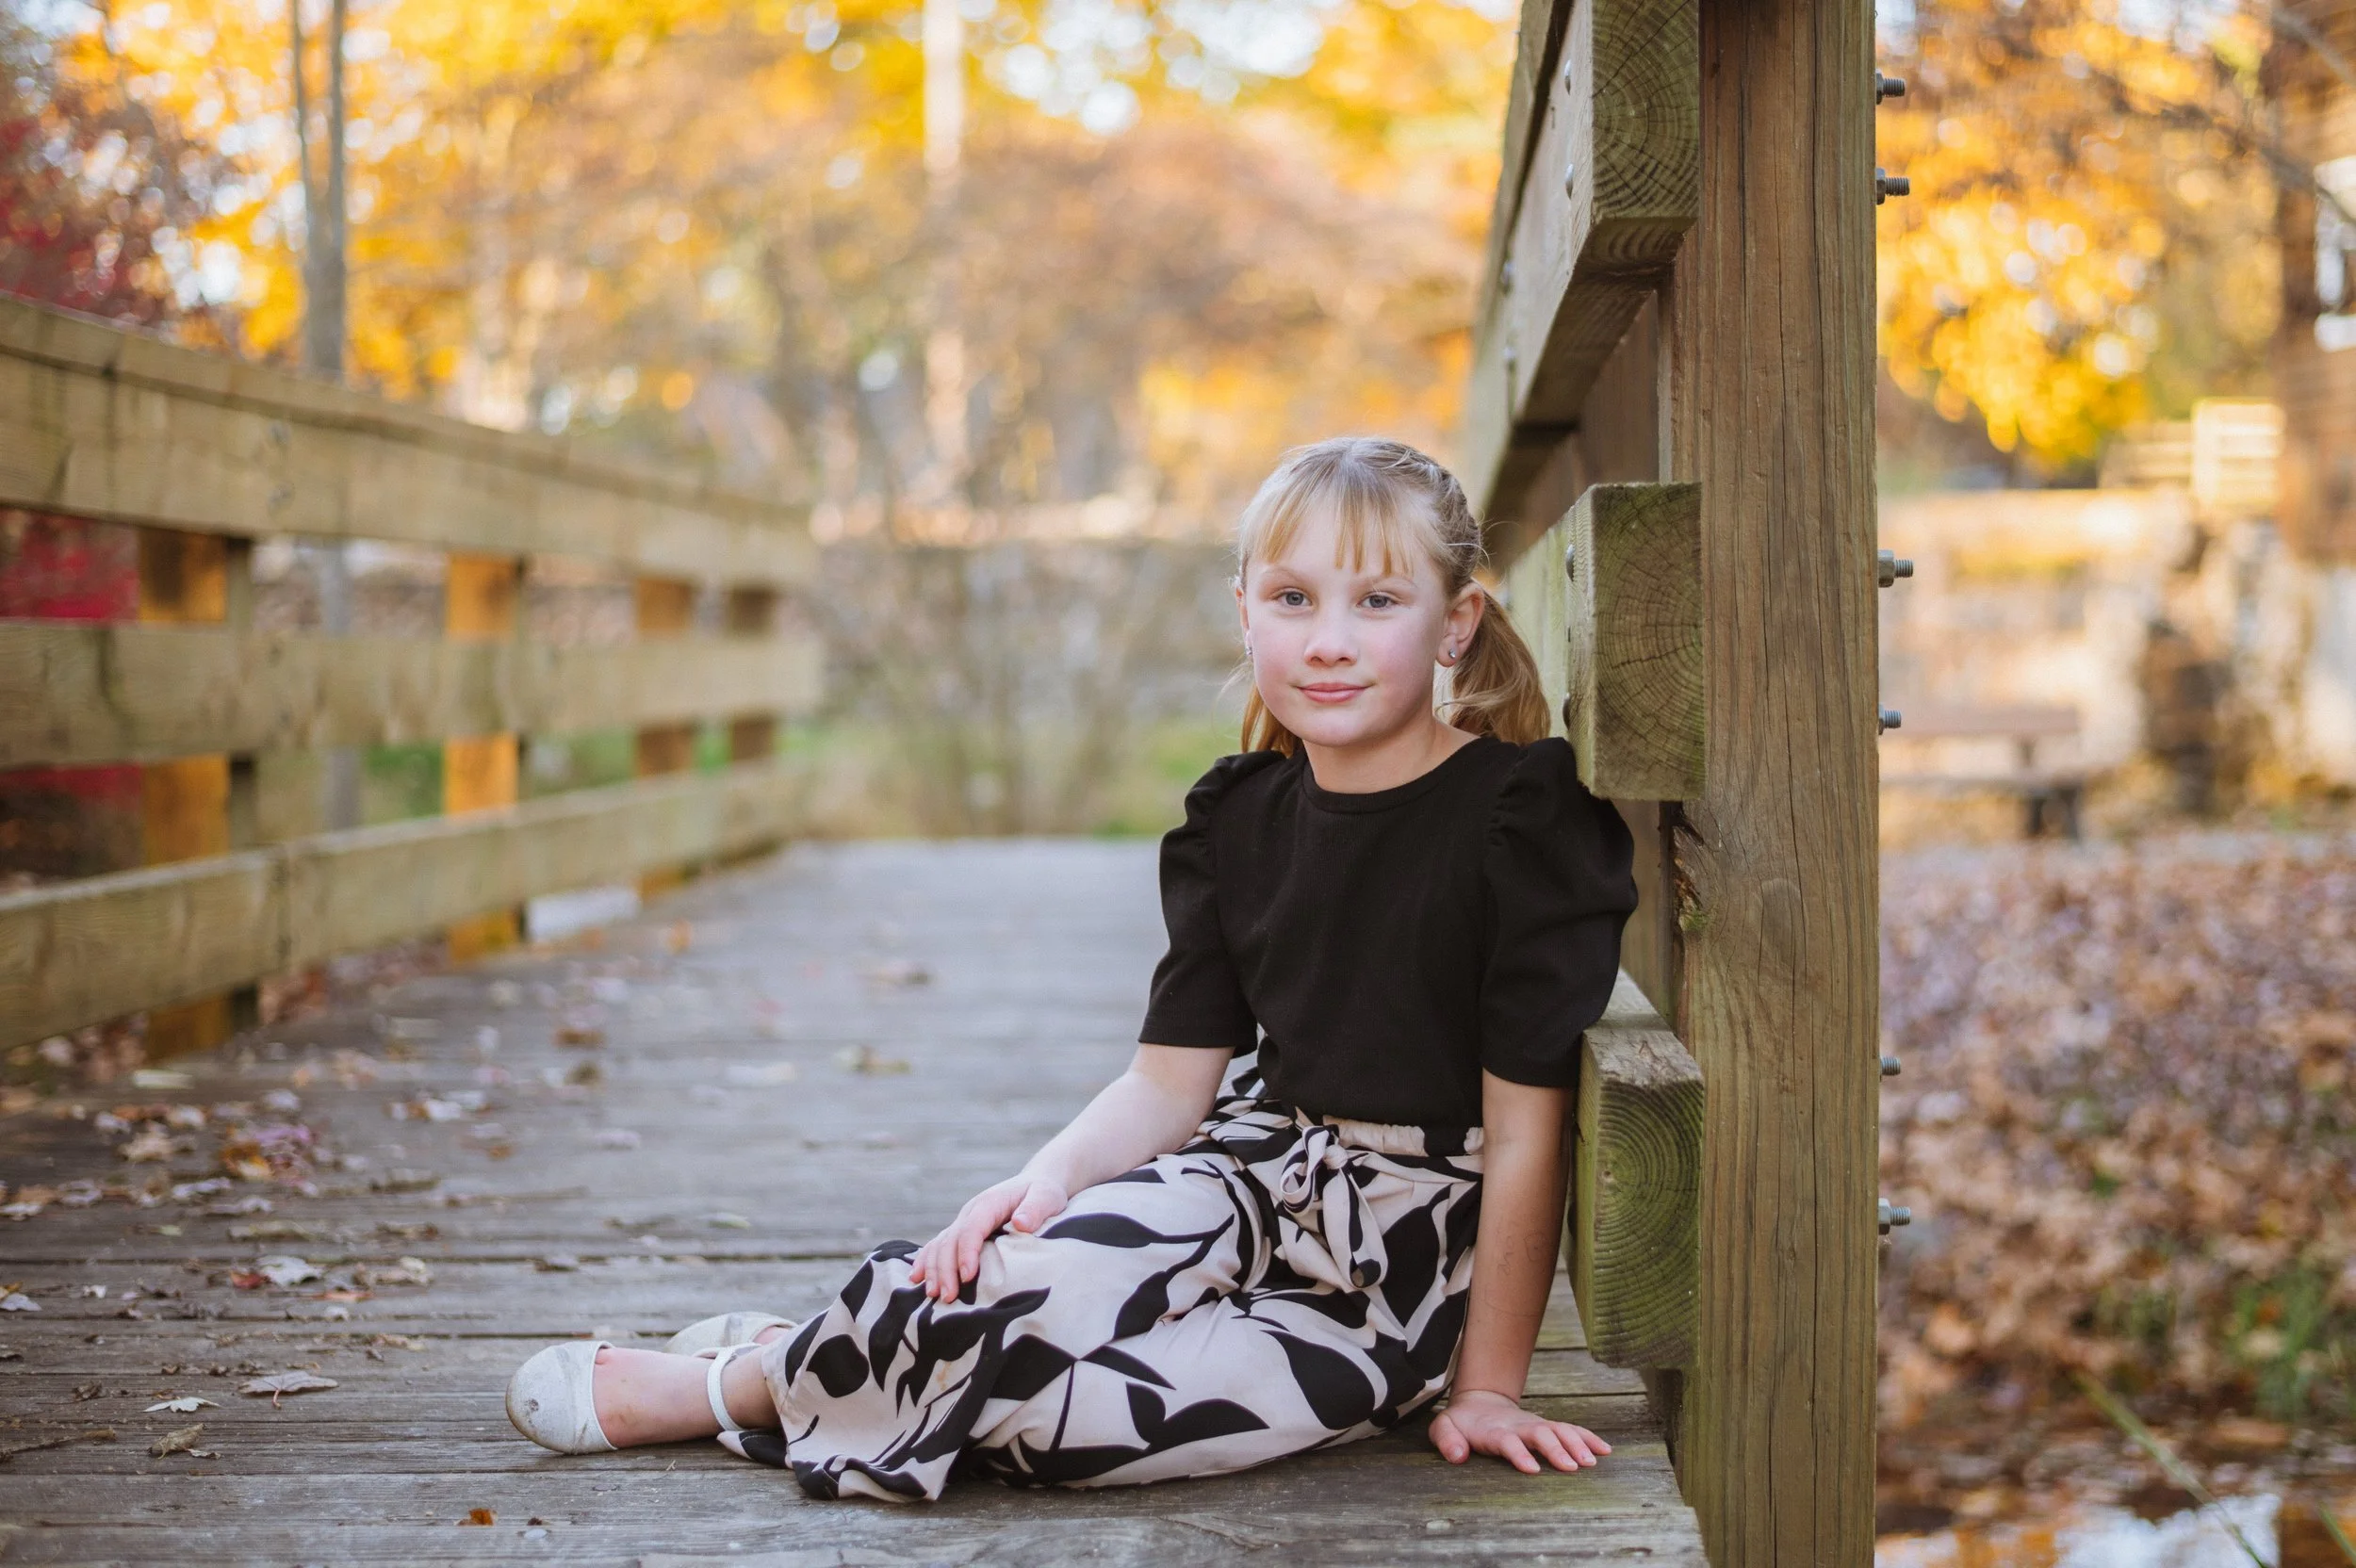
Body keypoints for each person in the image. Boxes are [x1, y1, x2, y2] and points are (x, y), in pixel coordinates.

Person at [504, 435, 1640, 1501]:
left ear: (1455, 623)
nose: (1327, 639)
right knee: (1023, 1281)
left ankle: (784, 1355)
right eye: (1292, 598)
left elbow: (1525, 1130)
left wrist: (1487, 1381)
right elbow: (1168, 1083)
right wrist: (1046, 1181)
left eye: (1377, 601)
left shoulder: (1516, 818)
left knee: (1055, 1422)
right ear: (1243, 611)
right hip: (1249, 1170)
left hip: (1398, 1259)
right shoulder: (1238, 817)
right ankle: (715, 1389)